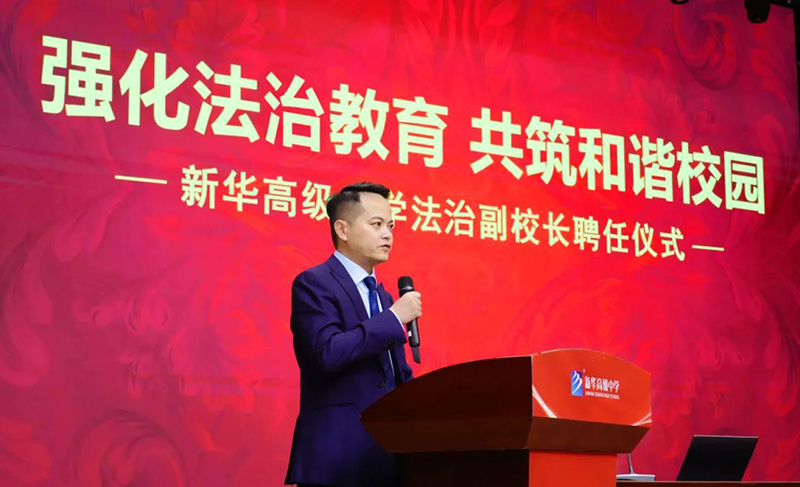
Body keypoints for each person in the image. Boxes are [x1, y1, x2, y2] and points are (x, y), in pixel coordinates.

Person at [285, 182, 422, 487]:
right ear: (342, 229)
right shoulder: (314, 283)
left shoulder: (385, 298)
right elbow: (327, 353)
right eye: (377, 224)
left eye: (391, 226)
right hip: (335, 458)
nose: (387, 235)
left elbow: (395, 375)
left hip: (385, 459)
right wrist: (393, 318)